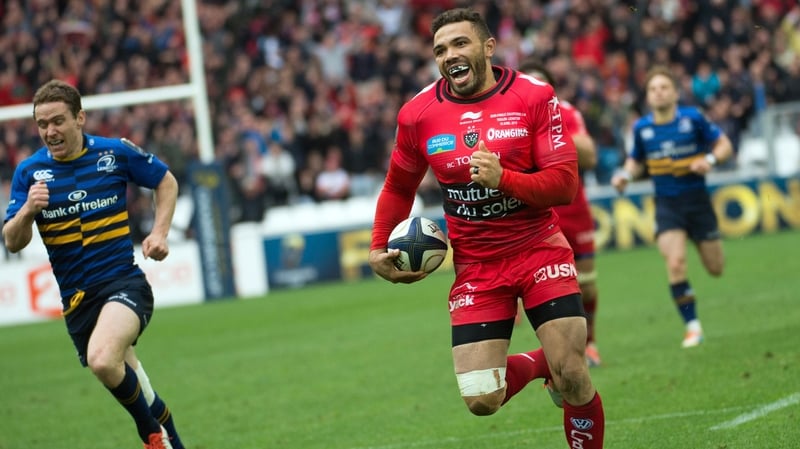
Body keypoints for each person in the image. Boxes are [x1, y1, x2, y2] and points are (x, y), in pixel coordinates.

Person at [368, 9, 605, 448]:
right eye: (440, 49)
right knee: (482, 399)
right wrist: (377, 247)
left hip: (539, 249)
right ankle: (542, 363)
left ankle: (561, 364)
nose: (450, 55)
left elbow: (565, 185)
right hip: (477, 266)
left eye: (460, 44)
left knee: (573, 374)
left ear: (488, 48)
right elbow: (397, 186)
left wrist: (505, 179)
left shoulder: (534, 96)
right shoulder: (418, 114)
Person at [2, 80, 185, 449]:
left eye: (57, 121)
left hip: (123, 283)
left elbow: (165, 181)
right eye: (42, 124)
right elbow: (12, 241)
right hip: (77, 302)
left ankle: (150, 437)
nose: (49, 131)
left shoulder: (114, 153)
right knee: (141, 391)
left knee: (102, 359)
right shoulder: (29, 174)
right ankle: (170, 440)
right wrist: (27, 211)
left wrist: (159, 232)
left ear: (80, 118)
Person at [611, 66, 734, 348]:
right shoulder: (642, 128)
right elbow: (635, 160)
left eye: (664, 87)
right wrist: (625, 176)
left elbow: (724, 144)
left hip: (698, 202)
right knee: (676, 264)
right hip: (667, 205)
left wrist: (710, 161)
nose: (658, 93)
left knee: (716, 268)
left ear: (676, 93)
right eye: (653, 89)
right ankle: (693, 327)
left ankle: (705, 246)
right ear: (648, 96)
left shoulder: (692, 119)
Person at [518, 58, 603, 367]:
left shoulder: (566, 113)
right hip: (534, 213)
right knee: (549, 288)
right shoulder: (506, 120)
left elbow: (590, 157)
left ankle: (590, 342)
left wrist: (550, 129)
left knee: (588, 283)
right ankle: (562, 355)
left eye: (541, 83)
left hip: (573, 208)